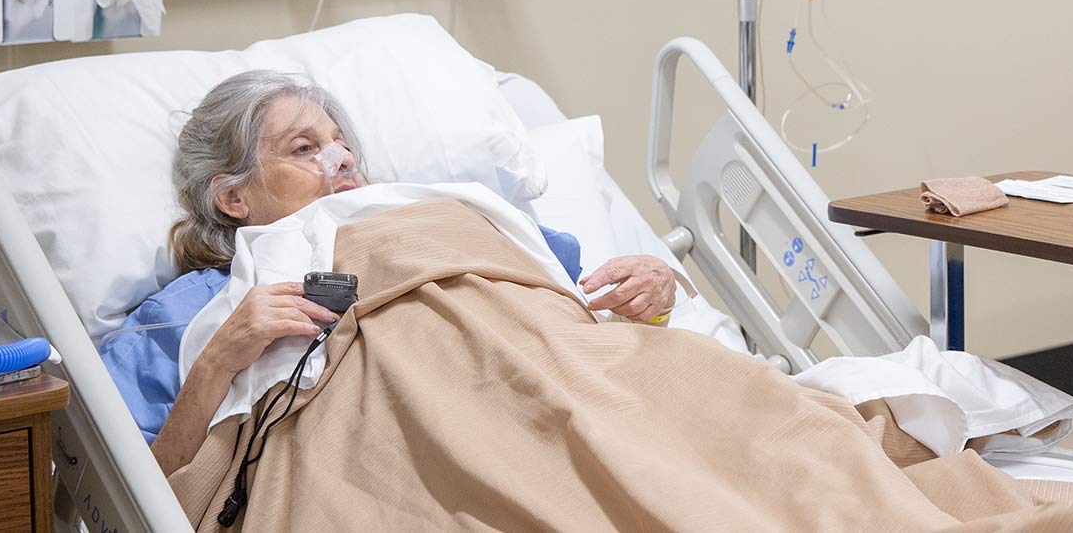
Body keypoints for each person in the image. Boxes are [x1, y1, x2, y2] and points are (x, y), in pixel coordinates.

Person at [99, 70, 684, 475]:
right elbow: (142, 493)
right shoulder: (190, 312)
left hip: (548, 408)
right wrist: (220, 357)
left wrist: (652, 298)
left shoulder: (446, 217)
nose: (342, 158)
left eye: (340, 142)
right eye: (304, 148)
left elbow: (566, 324)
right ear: (233, 199)